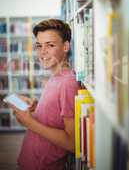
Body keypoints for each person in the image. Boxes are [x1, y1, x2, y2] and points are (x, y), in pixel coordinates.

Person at [11, 19, 82, 170]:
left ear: (65, 46)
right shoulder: (55, 77)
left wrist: (30, 123)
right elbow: (56, 118)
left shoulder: (68, 83)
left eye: (50, 45)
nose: (42, 52)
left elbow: (73, 143)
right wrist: (35, 109)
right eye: (39, 46)